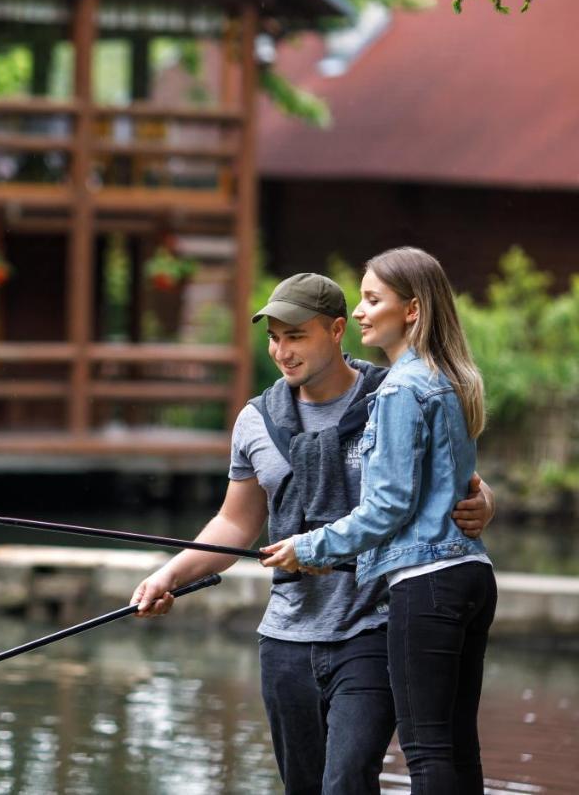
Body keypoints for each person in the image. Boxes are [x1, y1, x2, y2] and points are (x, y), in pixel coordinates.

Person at [129, 270, 495, 795]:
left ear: (338, 330)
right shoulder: (256, 420)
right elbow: (234, 522)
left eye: (296, 336)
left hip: (372, 626)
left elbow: (452, 476)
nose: (282, 351)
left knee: (345, 781)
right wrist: (166, 576)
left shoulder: (390, 393)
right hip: (287, 635)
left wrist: (485, 500)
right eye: (274, 337)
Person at [261, 248, 496, 794]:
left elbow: (388, 508)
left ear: (411, 310)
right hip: (472, 576)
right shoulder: (452, 377)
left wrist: (311, 547)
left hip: (424, 582)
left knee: (428, 750)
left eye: (372, 300)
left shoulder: (397, 388)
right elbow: (462, 485)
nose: (362, 312)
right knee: (460, 746)